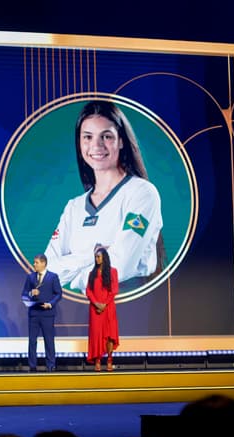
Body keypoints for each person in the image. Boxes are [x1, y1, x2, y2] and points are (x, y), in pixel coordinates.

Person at [44, 100, 165, 293]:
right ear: (79, 143)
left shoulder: (142, 194)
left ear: (121, 140)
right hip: (84, 311)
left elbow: (119, 268)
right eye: (88, 137)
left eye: (106, 136)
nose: (96, 145)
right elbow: (47, 270)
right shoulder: (74, 207)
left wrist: (73, 275)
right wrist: (95, 255)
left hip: (133, 308)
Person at [21, 253, 62, 372]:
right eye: (34, 262)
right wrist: (30, 293)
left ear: (44, 263)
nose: (34, 264)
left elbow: (58, 293)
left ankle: (50, 365)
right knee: (32, 340)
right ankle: (32, 365)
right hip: (34, 313)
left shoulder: (53, 277)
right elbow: (24, 294)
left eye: (36, 262)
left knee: (49, 340)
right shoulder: (30, 277)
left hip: (47, 313)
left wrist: (51, 303)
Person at [86, 247, 119, 372]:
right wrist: (96, 304)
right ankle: (98, 360)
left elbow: (114, 290)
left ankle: (109, 360)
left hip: (108, 308)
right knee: (96, 335)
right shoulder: (92, 273)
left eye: (98, 256)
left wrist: (104, 304)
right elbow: (88, 291)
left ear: (104, 257)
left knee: (109, 335)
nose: (96, 259)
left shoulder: (113, 272)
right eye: (95, 257)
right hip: (95, 309)